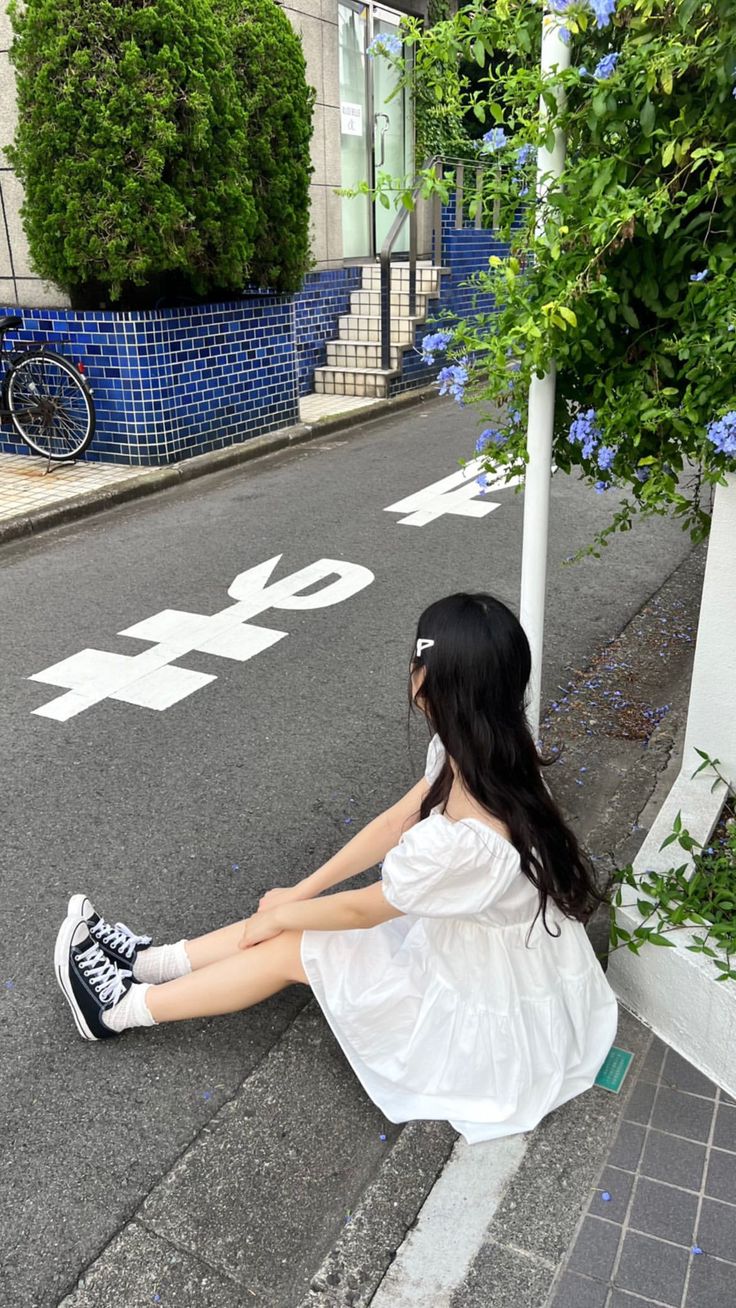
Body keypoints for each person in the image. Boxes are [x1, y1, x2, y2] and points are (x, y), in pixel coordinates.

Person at [54, 592, 618, 1144]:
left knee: (291, 945)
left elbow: (362, 910)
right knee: (293, 923)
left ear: (430, 686)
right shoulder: (487, 753)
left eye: (415, 660)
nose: (409, 669)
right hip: (488, 954)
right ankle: (149, 963)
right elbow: (394, 824)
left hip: (484, 1008)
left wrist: (280, 917)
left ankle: (119, 1010)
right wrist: (300, 890)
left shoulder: (467, 842)